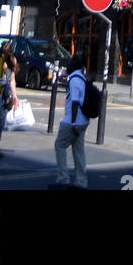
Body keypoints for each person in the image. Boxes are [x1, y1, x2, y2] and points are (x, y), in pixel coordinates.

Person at [50, 54, 88, 191]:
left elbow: (75, 102)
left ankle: (63, 178)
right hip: (83, 120)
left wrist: (73, 124)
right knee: (78, 151)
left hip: (73, 121)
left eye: (70, 63)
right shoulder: (82, 79)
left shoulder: (74, 80)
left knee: (59, 145)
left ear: (74, 66)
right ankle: (81, 182)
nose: (68, 65)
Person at [0, 47, 18, 158]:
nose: (2, 55)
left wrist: (14, 96)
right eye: (2, 53)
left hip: (5, 94)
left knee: (1, 120)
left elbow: (12, 80)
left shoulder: (12, 61)